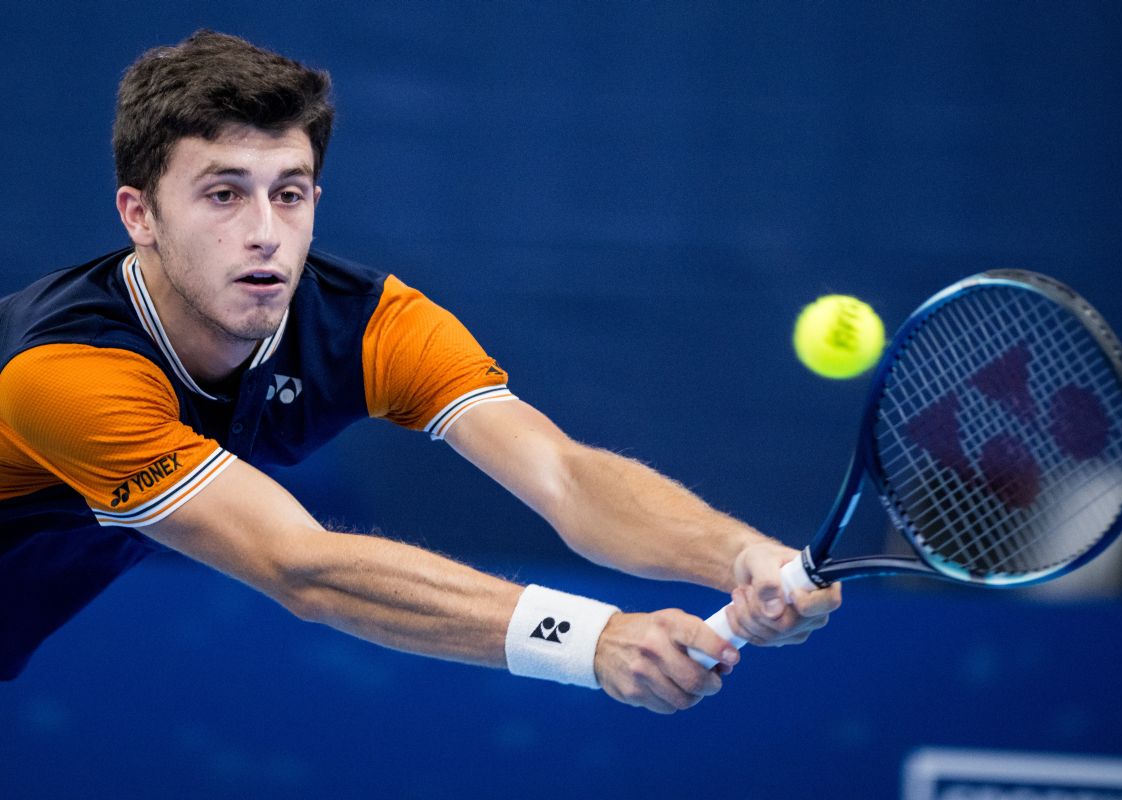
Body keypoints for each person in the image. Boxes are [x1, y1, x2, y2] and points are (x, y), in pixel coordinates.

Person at [0, 30, 840, 712]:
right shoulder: (65, 372)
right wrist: (589, 641)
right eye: (224, 194)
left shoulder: (370, 324)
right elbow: (300, 564)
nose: (264, 232)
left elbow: (564, 476)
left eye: (289, 193)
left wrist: (740, 556)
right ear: (139, 214)